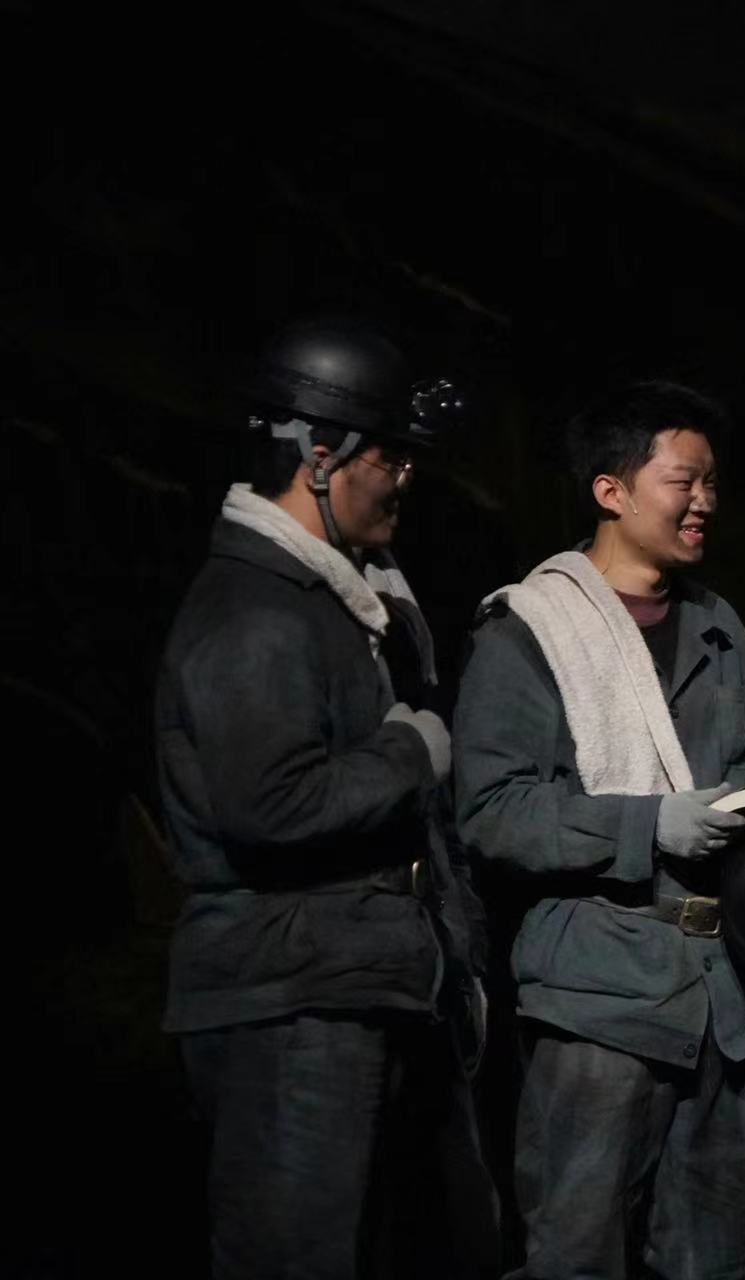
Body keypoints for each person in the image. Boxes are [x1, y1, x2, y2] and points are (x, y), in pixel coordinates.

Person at [155, 317, 495, 1278]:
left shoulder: (331, 603)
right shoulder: (255, 613)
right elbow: (271, 807)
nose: (403, 479)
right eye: (388, 457)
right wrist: (408, 750)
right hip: (287, 1002)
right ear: (318, 458)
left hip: (344, 986)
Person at [454, 381, 745, 1278]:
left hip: (727, 999)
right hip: (597, 992)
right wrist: (647, 825)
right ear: (612, 490)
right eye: (682, 481)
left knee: (722, 1260)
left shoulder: (717, 627)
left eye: (711, 482)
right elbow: (492, 811)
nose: (704, 501)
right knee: (577, 1254)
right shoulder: (529, 631)